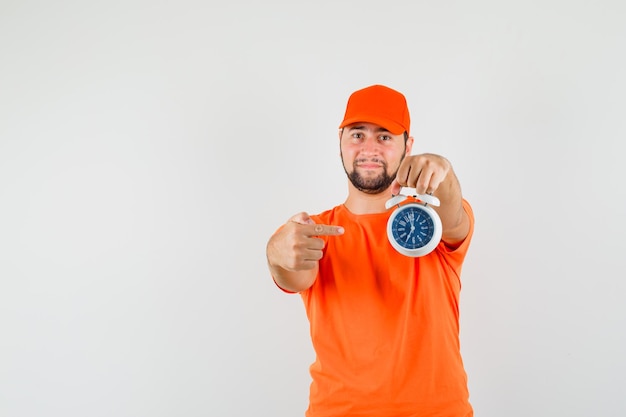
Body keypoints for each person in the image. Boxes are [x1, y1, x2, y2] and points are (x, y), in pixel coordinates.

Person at [266, 84, 475, 417]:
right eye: (357, 135)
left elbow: (451, 213)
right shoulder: (311, 232)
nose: (369, 148)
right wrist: (275, 254)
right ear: (340, 143)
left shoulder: (432, 223)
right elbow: (293, 274)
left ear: (408, 146)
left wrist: (442, 170)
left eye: (385, 137)